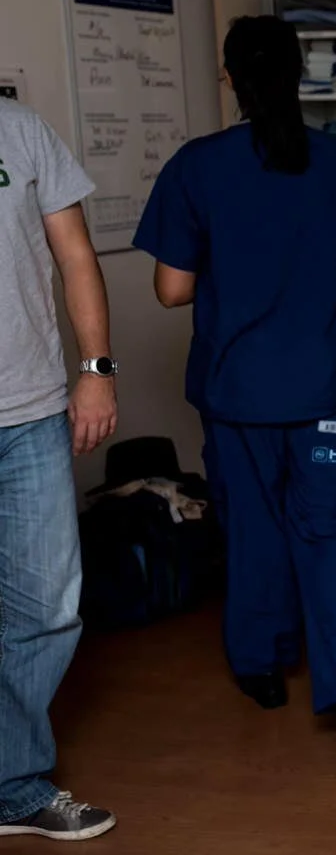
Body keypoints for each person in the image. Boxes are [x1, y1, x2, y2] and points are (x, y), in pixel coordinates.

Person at [133, 15, 336, 764]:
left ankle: (262, 669)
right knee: (331, 535)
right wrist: (319, 278)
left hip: (237, 395)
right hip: (325, 393)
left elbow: (169, 289)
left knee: (252, 530)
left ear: (230, 79)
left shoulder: (197, 166)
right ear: (298, 73)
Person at [0, 100, 118, 841]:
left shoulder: (21, 129)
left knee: (47, 608)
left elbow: (75, 254)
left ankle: (12, 784)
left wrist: (96, 371)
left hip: (32, 410)